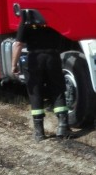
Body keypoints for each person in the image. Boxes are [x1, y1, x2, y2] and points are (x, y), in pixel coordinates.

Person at [11, 9, 72, 141]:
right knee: (58, 89)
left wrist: (13, 65)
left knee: (35, 92)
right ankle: (63, 126)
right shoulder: (54, 18)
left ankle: (39, 132)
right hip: (53, 56)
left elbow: (18, 44)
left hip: (34, 59)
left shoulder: (26, 20)